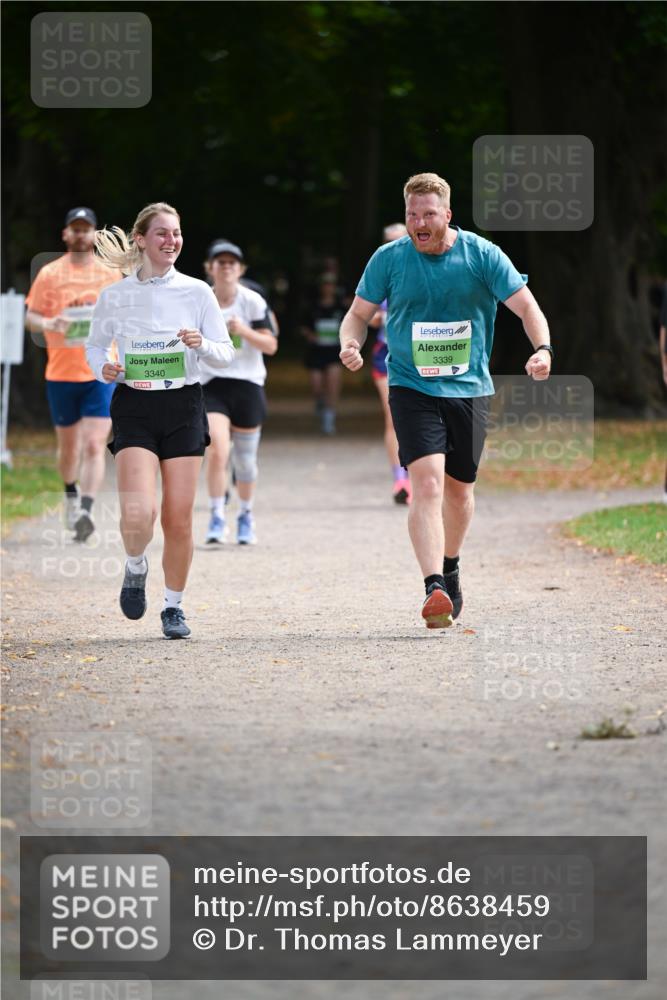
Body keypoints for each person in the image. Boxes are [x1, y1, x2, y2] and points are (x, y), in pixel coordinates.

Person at [339, 172, 552, 629]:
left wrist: (543, 349)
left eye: (428, 214)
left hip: (470, 388)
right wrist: (350, 344)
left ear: (447, 215)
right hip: (411, 385)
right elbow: (357, 315)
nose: (419, 222)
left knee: (459, 490)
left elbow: (527, 307)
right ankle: (433, 583)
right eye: (412, 214)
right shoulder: (389, 259)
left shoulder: (482, 255)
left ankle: (451, 564)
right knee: (428, 483)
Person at [86, 203, 235, 639]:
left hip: (183, 405)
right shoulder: (115, 295)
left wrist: (202, 342)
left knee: (177, 518)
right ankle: (136, 565)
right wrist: (105, 368)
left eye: (176, 233)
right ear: (140, 239)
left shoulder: (196, 291)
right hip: (134, 403)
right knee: (139, 512)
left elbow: (225, 351)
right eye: (162, 234)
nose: (171, 241)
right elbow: (96, 347)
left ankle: (173, 607)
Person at [25, 207, 120, 541]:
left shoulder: (110, 274)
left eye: (86, 229)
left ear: (95, 234)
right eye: (75, 229)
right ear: (65, 234)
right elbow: (32, 317)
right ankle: (71, 492)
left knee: (95, 445)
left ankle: (86, 511)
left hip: (100, 373)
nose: (81, 234)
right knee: (70, 450)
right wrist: (49, 323)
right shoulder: (50, 274)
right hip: (62, 373)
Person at [200, 240, 278, 545]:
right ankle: (217, 516)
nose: (226, 267)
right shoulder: (199, 299)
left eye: (232, 262)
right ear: (210, 268)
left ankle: (245, 514)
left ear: (241, 269)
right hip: (211, 383)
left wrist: (242, 330)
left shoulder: (252, 301)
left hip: (247, 383)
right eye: (220, 262)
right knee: (218, 449)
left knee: (245, 460)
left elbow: (271, 345)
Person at [368, 222, 412, 505]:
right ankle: (401, 479)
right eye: (391, 241)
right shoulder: (379, 273)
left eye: (401, 240)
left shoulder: (422, 269)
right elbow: (366, 314)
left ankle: (422, 475)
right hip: (386, 356)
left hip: (422, 357)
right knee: (394, 417)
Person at [301, 275, 347, 435]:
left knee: (333, 383)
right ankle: (320, 402)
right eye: (325, 284)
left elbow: (351, 325)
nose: (328, 287)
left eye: (331, 284)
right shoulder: (312, 307)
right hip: (316, 351)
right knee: (316, 385)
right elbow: (303, 326)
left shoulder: (341, 307)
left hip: (334, 351)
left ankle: (329, 419)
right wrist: (310, 335)